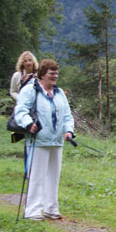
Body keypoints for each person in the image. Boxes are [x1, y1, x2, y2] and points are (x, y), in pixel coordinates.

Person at [14, 59, 75, 220]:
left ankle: (51, 208)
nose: (55, 76)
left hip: (56, 142)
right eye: (51, 73)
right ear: (42, 74)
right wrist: (29, 124)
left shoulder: (60, 93)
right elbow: (20, 111)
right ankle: (32, 211)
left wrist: (68, 131)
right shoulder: (30, 90)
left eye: (56, 73)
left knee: (54, 176)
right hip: (38, 140)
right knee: (37, 176)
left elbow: (67, 115)